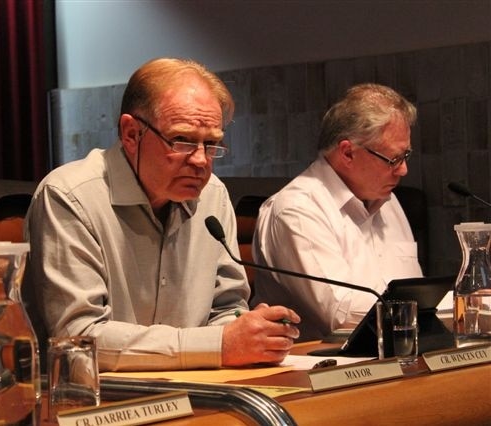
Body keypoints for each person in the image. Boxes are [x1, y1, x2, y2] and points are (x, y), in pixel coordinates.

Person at [25, 57, 300, 372]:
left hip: (199, 388)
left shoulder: (213, 196)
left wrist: (253, 333)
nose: (200, 161)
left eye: (211, 144)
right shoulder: (69, 197)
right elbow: (78, 339)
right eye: (182, 140)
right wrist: (218, 345)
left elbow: (225, 309)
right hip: (98, 404)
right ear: (131, 134)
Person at [251, 83, 423, 342]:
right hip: (315, 372)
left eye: (406, 155)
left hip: (391, 357)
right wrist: (421, 311)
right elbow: (340, 318)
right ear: (347, 153)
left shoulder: (388, 201)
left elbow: (416, 292)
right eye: (393, 159)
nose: (403, 170)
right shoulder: (296, 209)